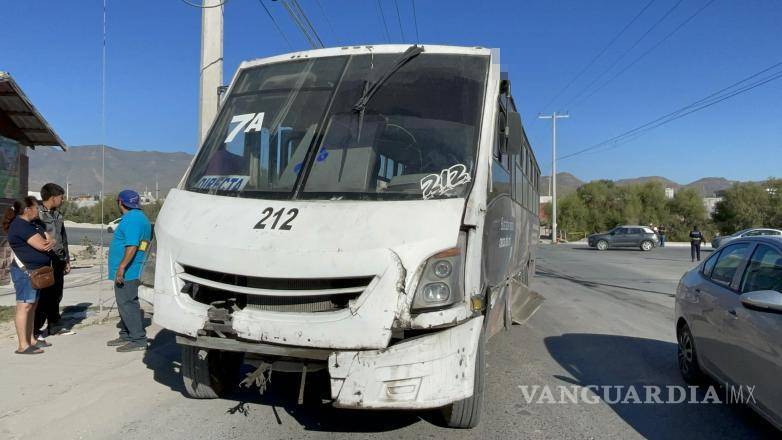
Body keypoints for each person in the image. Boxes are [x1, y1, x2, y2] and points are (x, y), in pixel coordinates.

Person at [3, 197, 55, 354]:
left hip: (36, 272)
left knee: (32, 306)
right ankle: (23, 345)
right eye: (36, 207)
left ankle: (31, 339)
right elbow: (43, 245)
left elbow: (50, 239)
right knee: (24, 306)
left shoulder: (34, 224)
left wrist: (50, 241)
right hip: (25, 272)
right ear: (27, 210)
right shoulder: (20, 226)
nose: (38, 210)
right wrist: (49, 242)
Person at [107, 189, 152, 352]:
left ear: (121, 202)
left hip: (129, 270)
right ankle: (126, 334)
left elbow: (132, 245)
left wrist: (122, 267)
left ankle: (138, 339)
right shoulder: (140, 218)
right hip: (133, 267)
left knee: (128, 303)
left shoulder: (132, 220)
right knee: (124, 303)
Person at [34, 183, 71, 339]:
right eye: (61, 197)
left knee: (56, 293)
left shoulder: (57, 215)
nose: (63, 200)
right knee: (43, 295)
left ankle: (54, 325)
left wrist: (67, 258)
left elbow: (63, 237)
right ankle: (35, 329)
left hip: (59, 259)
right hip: (45, 259)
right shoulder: (37, 214)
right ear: (53, 197)